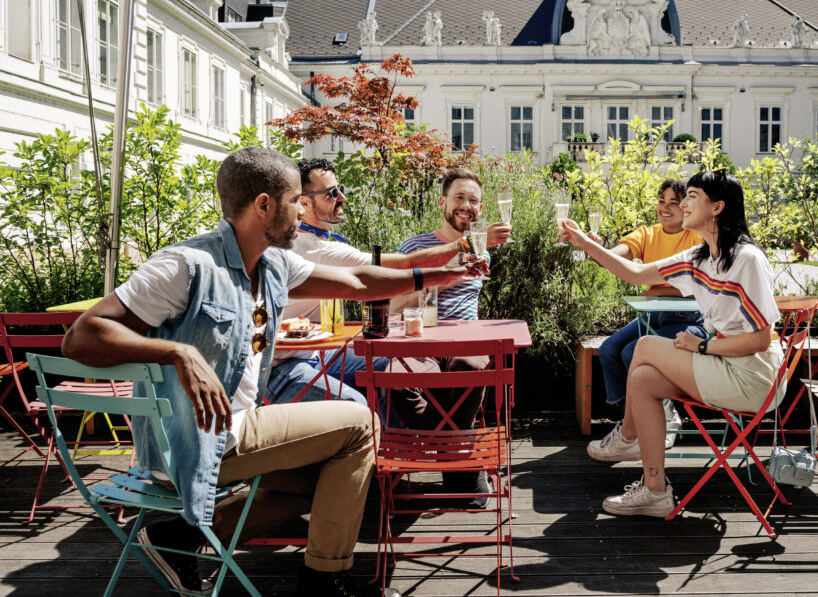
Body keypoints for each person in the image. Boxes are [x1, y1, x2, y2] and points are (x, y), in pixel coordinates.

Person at [61, 148, 480, 596]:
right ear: (264, 205)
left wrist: (432, 278)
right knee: (361, 424)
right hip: (195, 441)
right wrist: (177, 353)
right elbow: (81, 338)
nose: (302, 210)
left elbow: (359, 280)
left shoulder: (274, 264)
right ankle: (324, 581)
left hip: (239, 431)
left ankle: (178, 538)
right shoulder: (186, 266)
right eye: (295, 200)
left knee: (319, 480)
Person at [558, 169, 781, 518]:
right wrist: (585, 244)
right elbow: (633, 273)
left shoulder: (745, 259)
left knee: (645, 346)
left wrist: (703, 347)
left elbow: (760, 338)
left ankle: (627, 437)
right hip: (725, 365)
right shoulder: (699, 258)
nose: (684, 202)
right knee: (643, 379)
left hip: (753, 376)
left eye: (693, 195)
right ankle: (655, 491)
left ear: (718, 207)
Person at [268, 157, 498, 406]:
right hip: (285, 363)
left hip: (318, 350)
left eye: (341, 190)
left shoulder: (318, 245)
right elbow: (401, 265)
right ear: (304, 202)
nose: (343, 198)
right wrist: (464, 249)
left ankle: (409, 442)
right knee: (361, 402)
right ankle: (395, 441)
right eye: (332, 193)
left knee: (400, 368)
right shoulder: (314, 249)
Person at [387, 167, 511, 506]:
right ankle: (461, 459)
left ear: (480, 210)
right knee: (397, 381)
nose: (466, 205)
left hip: (464, 341)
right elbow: (393, 307)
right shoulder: (413, 247)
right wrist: (443, 277)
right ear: (443, 202)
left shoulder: (481, 249)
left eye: (473, 200)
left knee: (474, 367)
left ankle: (452, 457)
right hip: (419, 340)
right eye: (459, 197)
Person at [594, 179, 708, 449]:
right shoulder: (647, 233)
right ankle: (635, 418)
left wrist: (657, 292)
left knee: (631, 353)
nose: (665, 208)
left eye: (674, 202)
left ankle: (665, 413)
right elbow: (618, 255)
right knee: (610, 350)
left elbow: (697, 291)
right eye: (661, 201)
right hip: (651, 318)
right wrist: (597, 249)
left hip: (690, 322)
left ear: (687, 207)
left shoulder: (696, 238)